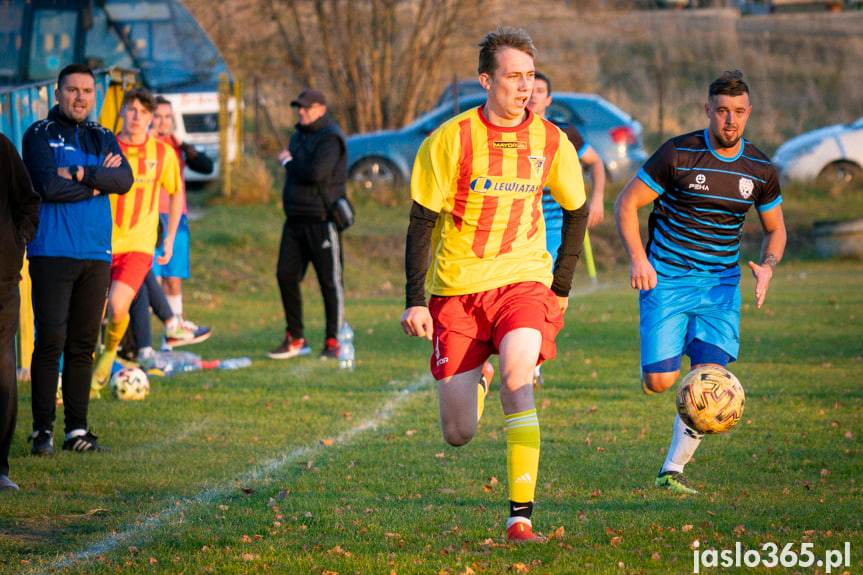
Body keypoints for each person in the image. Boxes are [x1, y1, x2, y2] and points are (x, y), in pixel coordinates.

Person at [400, 27, 587, 541]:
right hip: (457, 292)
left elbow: (577, 211)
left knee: (518, 379)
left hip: (523, 283)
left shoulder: (551, 140)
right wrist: (416, 301)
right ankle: (477, 377)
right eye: (512, 76)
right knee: (458, 433)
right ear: (486, 80)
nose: (524, 87)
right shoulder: (451, 138)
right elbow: (421, 222)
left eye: (530, 76)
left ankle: (520, 516)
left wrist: (561, 288)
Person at [614, 70, 786, 495]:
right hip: (667, 280)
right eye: (723, 111)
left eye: (739, 112)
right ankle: (655, 368)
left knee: (710, 379)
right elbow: (626, 203)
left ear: (749, 113)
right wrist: (639, 259)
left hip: (720, 289)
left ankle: (671, 471)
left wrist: (767, 265)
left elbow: (776, 230)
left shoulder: (760, 168)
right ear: (708, 110)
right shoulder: (678, 153)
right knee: (661, 383)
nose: (731, 120)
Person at [22, 63, 134, 454]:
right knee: (52, 338)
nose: (80, 97)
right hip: (51, 251)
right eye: (72, 90)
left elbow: (123, 181)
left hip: (96, 253)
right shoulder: (38, 134)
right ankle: (42, 432)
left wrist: (79, 173)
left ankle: (76, 432)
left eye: (87, 91)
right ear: (57, 94)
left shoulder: (102, 135)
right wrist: (96, 183)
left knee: (84, 343)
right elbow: (46, 186)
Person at [90, 87, 182, 392]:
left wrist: (169, 237)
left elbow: (176, 190)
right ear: (121, 112)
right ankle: (80, 372)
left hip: (138, 246)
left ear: (151, 117)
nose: (136, 116)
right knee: (91, 313)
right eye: (131, 109)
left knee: (117, 307)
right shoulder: (104, 146)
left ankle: (110, 352)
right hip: (100, 241)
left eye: (143, 111)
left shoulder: (161, 152)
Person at [527, 71, 607, 386]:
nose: (532, 94)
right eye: (529, 88)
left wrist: (597, 199)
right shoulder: (511, 134)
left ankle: (532, 359)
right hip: (522, 228)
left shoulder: (564, 134)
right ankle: (528, 359)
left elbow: (597, 163)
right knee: (530, 295)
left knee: (547, 297)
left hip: (557, 230)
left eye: (540, 90)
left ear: (548, 99)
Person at [268, 89, 348, 361]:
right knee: (285, 275)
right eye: (299, 108)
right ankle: (295, 337)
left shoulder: (331, 138)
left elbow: (315, 173)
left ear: (321, 108)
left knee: (329, 283)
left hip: (322, 221)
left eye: (306, 108)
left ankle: (333, 340)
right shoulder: (298, 135)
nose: (301, 112)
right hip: (294, 221)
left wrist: (288, 162)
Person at [148, 95, 213, 346]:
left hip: (177, 219)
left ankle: (171, 339)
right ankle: (141, 344)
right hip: (150, 218)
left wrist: (183, 144)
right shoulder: (144, 144)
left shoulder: (177, 146)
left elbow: (206, 167)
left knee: (173, 281)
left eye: (167, 117)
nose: (163, 121)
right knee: (148, 282)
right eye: (157, 116)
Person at [0, 133, 40, 489]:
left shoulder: (1, 147)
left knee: (1, 371)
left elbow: (28, 202)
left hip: (1, 278)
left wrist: (17, 241)